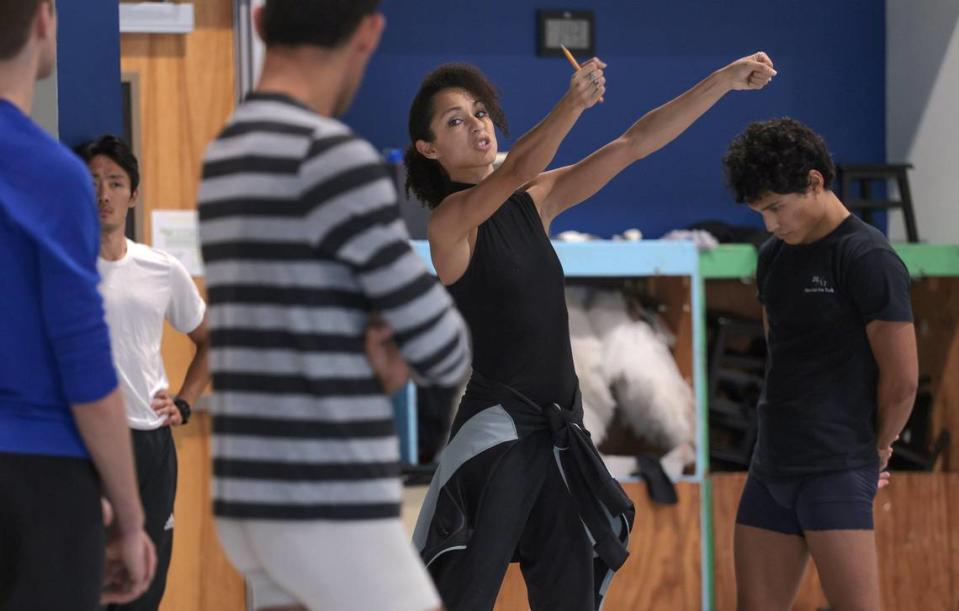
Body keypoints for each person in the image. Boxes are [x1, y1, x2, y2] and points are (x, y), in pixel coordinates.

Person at [406, 53, 776, 610]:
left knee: (570, 597)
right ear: (428, 150)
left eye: (480, 112)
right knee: (460, 596)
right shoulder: (448, 222)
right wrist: (571, 105)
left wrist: (722, 81)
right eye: (455, 120)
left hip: (562, 436)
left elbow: (634, 143)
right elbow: (512, 171)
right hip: (499, 434)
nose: (477, 124)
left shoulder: (536, 202)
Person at [197, 1, 471, 610]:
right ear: (370, 32)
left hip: (247, 489)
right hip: (326, 488)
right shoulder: (330, 157)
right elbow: (443, 349)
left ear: (261, 23)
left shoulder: (226, 154)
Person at [722, 117, 918, 610]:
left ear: (815, 182)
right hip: (771, 467)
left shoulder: (867, 256)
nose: (770, 224)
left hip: (836, 468)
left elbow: (902, 380)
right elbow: (780, 354)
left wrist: (876, 451)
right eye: (759, 212)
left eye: (776, 209)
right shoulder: (773, 257)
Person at [0, 1, 156, 609]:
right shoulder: (51, 174)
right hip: (39, 482)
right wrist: (130, 516)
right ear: (43, 19)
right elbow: (86, 370)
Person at [75, 135, 211, 611]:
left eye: (115, 182)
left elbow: (211, 340)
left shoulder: (160, 268)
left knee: (144, 586)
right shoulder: (62, 268)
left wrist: (185, 400)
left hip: (149, 444)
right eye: (93, 182)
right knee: (84, 579)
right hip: (83, 443)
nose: (103, 194)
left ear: (133, 194)